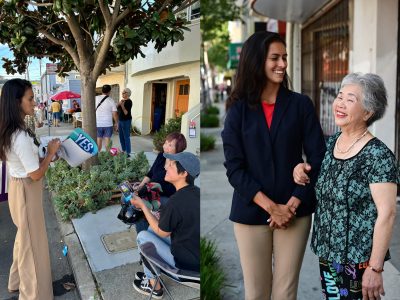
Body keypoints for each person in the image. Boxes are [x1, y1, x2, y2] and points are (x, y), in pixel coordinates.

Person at [221, 31, 326, 300]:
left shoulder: (300, 104)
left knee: (285, 293)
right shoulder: (237, 110)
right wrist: (271, 208)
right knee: (256, 293)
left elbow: (318, 157)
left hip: (296, 210)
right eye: (274, 58)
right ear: (257, 61)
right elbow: (234, 168)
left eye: (284, 58)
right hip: (250, 211)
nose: (282, 64)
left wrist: (290, 205)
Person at [293, 73, 400, 300]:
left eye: (350, 100)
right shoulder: (333, 142)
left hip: (359, 261)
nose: (340, 103)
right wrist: (301, 169)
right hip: (328, 253)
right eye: (339, 96)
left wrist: (375, 267)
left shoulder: (378, 156)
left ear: (368, 112)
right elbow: (325, 182)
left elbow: (388, 213)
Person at [0, 79, 61, 300]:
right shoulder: (19, 135)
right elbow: (35, 174)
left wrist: (45, 157)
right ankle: (33, 295)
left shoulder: (11, 130)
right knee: (33, 245)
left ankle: (15, 282)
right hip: (27, 189)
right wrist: (52, 153)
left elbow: (29, 165)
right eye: (30, 98)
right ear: (17, 102)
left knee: (24, 239)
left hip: (18, 187)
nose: (34, 102)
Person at [130, 151, 200, 299]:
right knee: (150, 230)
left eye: (171, 165)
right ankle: (151, 275)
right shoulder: (196, 193)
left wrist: (143, 205)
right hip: (196, 256)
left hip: (185, 267)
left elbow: (162, 232)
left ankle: (154, 286)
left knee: (143, 236)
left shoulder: (175, 202)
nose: (166, 167)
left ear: (184, 173)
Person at [134, 132, 187, 233]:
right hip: (152, 191)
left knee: (142, 205)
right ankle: (143, 237)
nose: (165, 146)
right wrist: (141, 186)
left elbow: (174, 189)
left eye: (170, 145)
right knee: (137, 203)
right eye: (166, 142)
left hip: (167, 198)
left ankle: (146, 235)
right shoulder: (161, 156)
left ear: (178, 149)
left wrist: (152, 190)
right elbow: (150, 173)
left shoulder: (179, 164)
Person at [95, 84, 118, 151]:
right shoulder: (111, 100)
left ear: (102, 90)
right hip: (108, 124)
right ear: (109, 91)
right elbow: (114, 113)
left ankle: (97, 156)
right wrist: (116, 123)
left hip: (98, 123)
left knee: (99, 139)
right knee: (107, 140)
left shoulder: (95, 98)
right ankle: (107, 156)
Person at [117, 88, 133, 157]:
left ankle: (128, 152)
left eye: (124, 93)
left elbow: (126, 113)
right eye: (122, 92)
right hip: (120, 120)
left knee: (126, 136)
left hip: (126, 121)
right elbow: (117, 108)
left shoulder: (129, 102)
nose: (122, 94)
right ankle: (123, 150)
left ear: (127, 93)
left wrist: (122, 106)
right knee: (121, 136)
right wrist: (119, 104)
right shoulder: (122, 101)